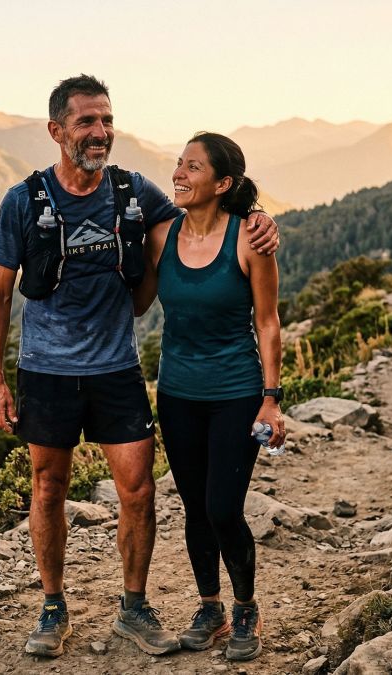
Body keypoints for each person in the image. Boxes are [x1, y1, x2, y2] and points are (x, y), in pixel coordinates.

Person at [0, 75, 279, 658]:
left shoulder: (133, 192)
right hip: (45, 369)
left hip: (117, 367)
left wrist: (260, 218)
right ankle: (52, 607)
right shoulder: (23, 200)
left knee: (139, 492)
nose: (101, 133)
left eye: (107, 120)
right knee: (48, 488)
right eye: (87, 122)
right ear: (56, 130)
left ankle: (134, 607)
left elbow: (209, 212)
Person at [132, 132, 284, 662]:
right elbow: (137, 304)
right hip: (176, 394)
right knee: (195, 508)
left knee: (223, 507)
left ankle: (246, 608)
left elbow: (267, 322)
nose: (178, 173)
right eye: (178, 163)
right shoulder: (161, 237)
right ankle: (210, 606)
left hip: (237, 393)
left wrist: (272, 398)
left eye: (192, 168)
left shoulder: (250, 239)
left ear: (222, 184)